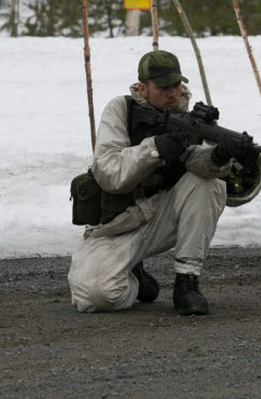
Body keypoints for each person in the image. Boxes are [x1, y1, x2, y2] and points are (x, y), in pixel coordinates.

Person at [68, 50, 246, 315]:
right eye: (164, 87)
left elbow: (200, 165)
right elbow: (107, 172)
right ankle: (136, 280)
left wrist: (218, 156)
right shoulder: (121, 110)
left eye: (176, 85)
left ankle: (187, 282)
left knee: (211, 183)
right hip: (118, 224)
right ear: (143, 87)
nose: (173, 93)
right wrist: (154, 148)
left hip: (163, 215)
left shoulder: (189, 118)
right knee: (96, 296)